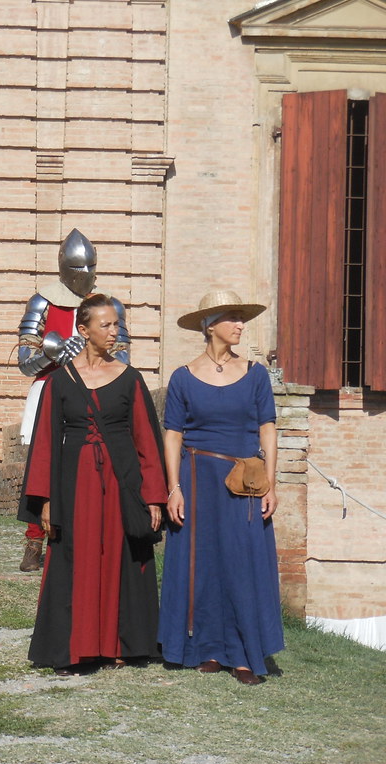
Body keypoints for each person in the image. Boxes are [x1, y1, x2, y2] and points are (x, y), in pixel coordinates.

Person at [18, 294, 165, 675]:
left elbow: (147, 442)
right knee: (74, 560)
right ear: (83, 331)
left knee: (119, 558)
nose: (114, 331)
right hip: (74, 484)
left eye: (116, 324)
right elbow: (47, 442)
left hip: (121, 483)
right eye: (106, 324)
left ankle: (118, 644)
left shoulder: (130, 379)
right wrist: (46, 500)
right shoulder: (59, 381)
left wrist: (153, 497)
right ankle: (73, 647)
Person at [159, 291, 283, 686]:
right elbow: (173, 435)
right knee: (204, 562)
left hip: (243, 483)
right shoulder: (182, 377)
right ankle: (206, 648)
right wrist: (173, 487)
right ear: (209, 325)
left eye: (241, 318)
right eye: (232, 318)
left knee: (241, 563)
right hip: (197, 482)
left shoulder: (256, 374)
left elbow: (268, 429)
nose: (240, 325)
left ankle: (244, 654)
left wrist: (272, 484)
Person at [15, 230, 131, 571]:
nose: (85, 274)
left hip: (96, 388)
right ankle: (35, 538)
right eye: (78, 268)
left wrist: (87, 353)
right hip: (51, 386)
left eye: (89, 267)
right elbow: (25, 361)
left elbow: (123, 360)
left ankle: (87, 530)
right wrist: (54, 353)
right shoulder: (43, 301)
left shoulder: (107, 306)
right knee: (41, 463)